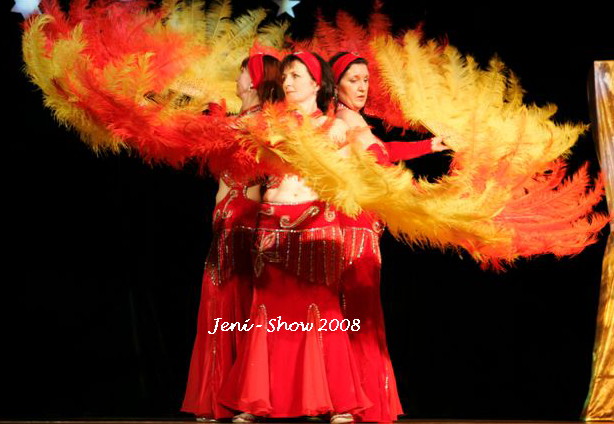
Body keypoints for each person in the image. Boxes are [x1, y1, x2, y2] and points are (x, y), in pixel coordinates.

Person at [218, 52, 370, 424]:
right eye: (285, 77)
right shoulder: (268, 123)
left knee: (323, 311)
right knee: (268, 312)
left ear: (317, 83)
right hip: (272, 223)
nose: (287, 83)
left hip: (316, 225)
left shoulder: (335, 127)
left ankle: (337, 402)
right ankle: (255, 400)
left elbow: (356, 177)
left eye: (296, 76)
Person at [328, 51, 448, 422]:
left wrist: (428, 146)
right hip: (350, 227)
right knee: (354, 314)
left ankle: (354, 399)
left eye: (366, 80)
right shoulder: (339, 121)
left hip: (366, 226)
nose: (362, 87)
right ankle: (349, 401)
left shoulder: (355, 120)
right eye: (354, 80)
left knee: (360, 313)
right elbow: (372, 163)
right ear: (335, 84)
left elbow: (382, 151)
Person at [182, 54, 284, 422]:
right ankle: (219, 397)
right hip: (225, 221)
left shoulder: (260, 124)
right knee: (219, 305)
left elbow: (229, 142)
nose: (237, 77)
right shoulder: (238, 120)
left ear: (254, 81)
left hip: (243, 221)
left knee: (236, 308)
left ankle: (241, 400)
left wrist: (212, 109)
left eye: (242, 72)